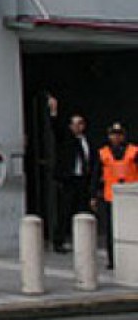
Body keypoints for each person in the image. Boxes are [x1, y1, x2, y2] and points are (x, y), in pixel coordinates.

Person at [47, 94, 97, 253]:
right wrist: (54, 111)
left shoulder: (87, 141)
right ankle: (59, 241)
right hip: (69, 179)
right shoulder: (66, 139)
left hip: (83, 179)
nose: (78, 126)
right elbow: (56, 128)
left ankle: (84, 240)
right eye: (75, 124)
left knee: (83, 209)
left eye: (80, 123)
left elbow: (91, 159)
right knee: (65, 209)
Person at [94, 122, 137, 270]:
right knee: (111, 229)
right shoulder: (103, 153)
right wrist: (93, 195)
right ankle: (112, 260)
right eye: (113, 134)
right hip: (110, 196)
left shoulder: (134, 151)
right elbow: (96, 175)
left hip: (131, 196)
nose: (116, 137)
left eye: (119, 134)